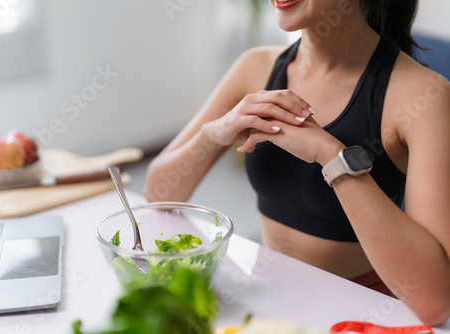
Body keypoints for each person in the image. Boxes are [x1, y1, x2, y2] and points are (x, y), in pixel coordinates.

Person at [144, 0, 450, 325]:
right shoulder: (255, 67)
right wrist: (213, 134)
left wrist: (332, 157)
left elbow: (436, 302)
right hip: (270, 302)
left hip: (361, 314)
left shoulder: (424, 95)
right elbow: (156, 192)